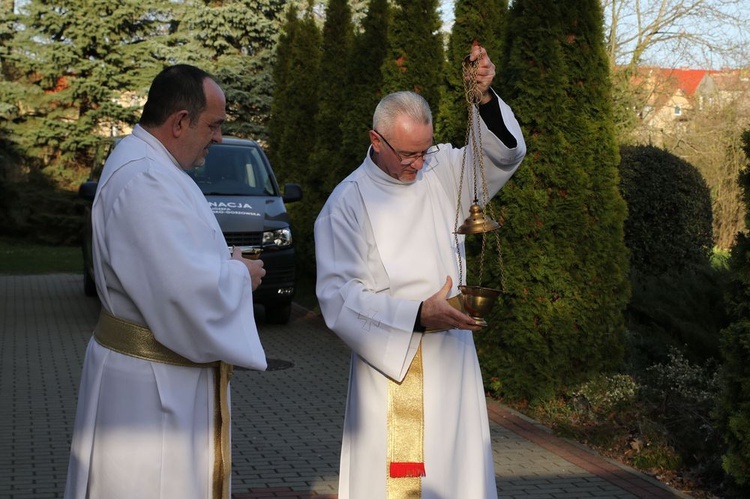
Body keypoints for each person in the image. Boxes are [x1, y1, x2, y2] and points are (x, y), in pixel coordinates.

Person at [314, 44, 526, 498]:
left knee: (458, 476)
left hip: (454, 362)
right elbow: (338, 299)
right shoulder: (345, 205)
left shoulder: (439, 170)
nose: (417, 163)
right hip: (393, 369)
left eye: (424, 150)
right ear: (376, 141)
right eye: (408, 154)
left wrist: (483, 99)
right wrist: (416, 315)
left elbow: (499, 158)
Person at [64, 65, 268, 499]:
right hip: (151, 392)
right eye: (213, 125)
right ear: (179, 121)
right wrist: (240, 275)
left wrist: (222, 262)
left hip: (155, 375)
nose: (218, 138)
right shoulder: (145, 179)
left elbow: (172, 263)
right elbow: (182, 293)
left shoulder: (151, 165)